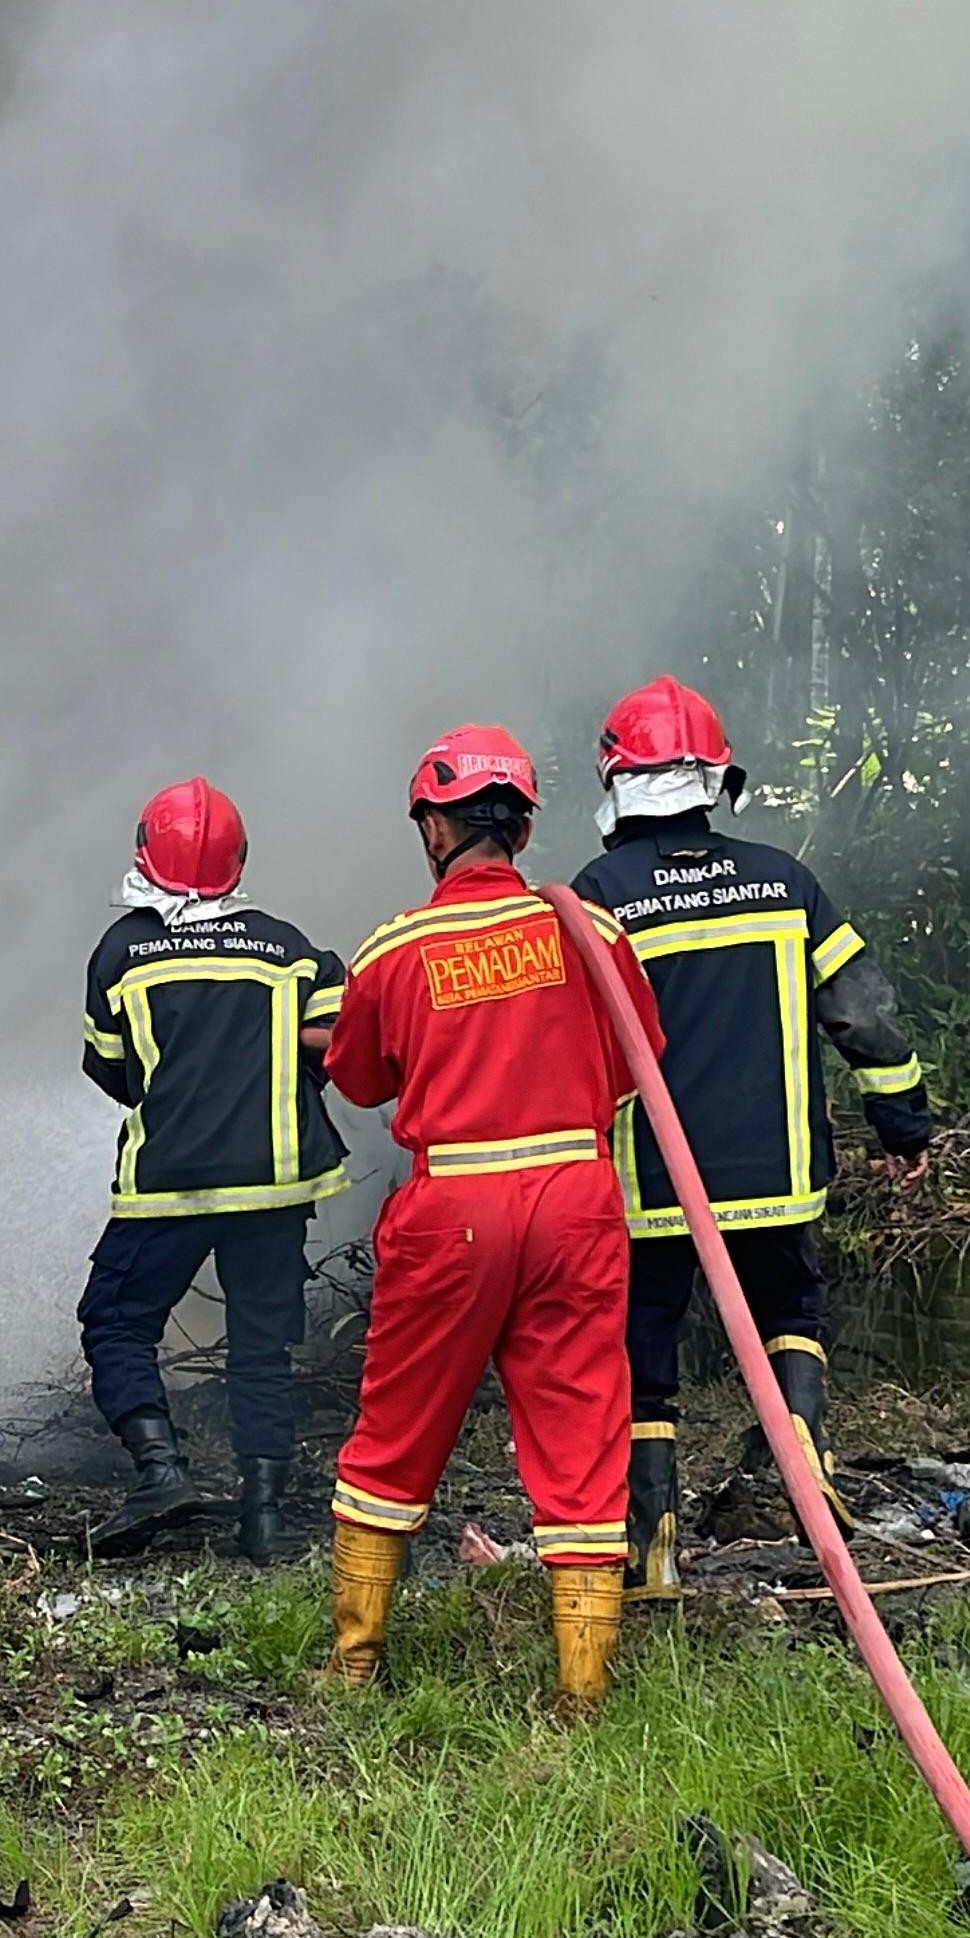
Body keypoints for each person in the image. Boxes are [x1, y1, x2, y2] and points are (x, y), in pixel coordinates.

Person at [323, 726, 664, 1710]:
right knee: (582, 1434)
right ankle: (581, 1694)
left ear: (436, 830)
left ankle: (353, 1665)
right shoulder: (591, 933)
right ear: (518, 828)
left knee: (396, 1429)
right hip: (574, 1203)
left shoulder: (397, 947)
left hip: (453, 1207)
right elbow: (637, 1059)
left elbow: (360, 1078)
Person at [570, 676, 932, 1598]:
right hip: (778, 1171)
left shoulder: (598, 896)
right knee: (790, 1311)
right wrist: (903, 1121)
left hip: (654, 1182)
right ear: (715, 781)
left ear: (618, 784)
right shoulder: (784, 881)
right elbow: (863, 1015)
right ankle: (801, 1451)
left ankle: (651, 1541)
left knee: (644, 1352)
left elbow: (564, 1041)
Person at [79, 776, 349, 1563]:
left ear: (145, 855)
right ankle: (263, 1519)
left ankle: (161, 1472)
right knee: (260, 1347)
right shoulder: (287, 948)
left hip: (169, 1182)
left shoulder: (122, 951)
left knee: (116, 1322)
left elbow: (110, 1069)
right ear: (240, 861)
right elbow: (343, 1039)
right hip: (275, 1182)